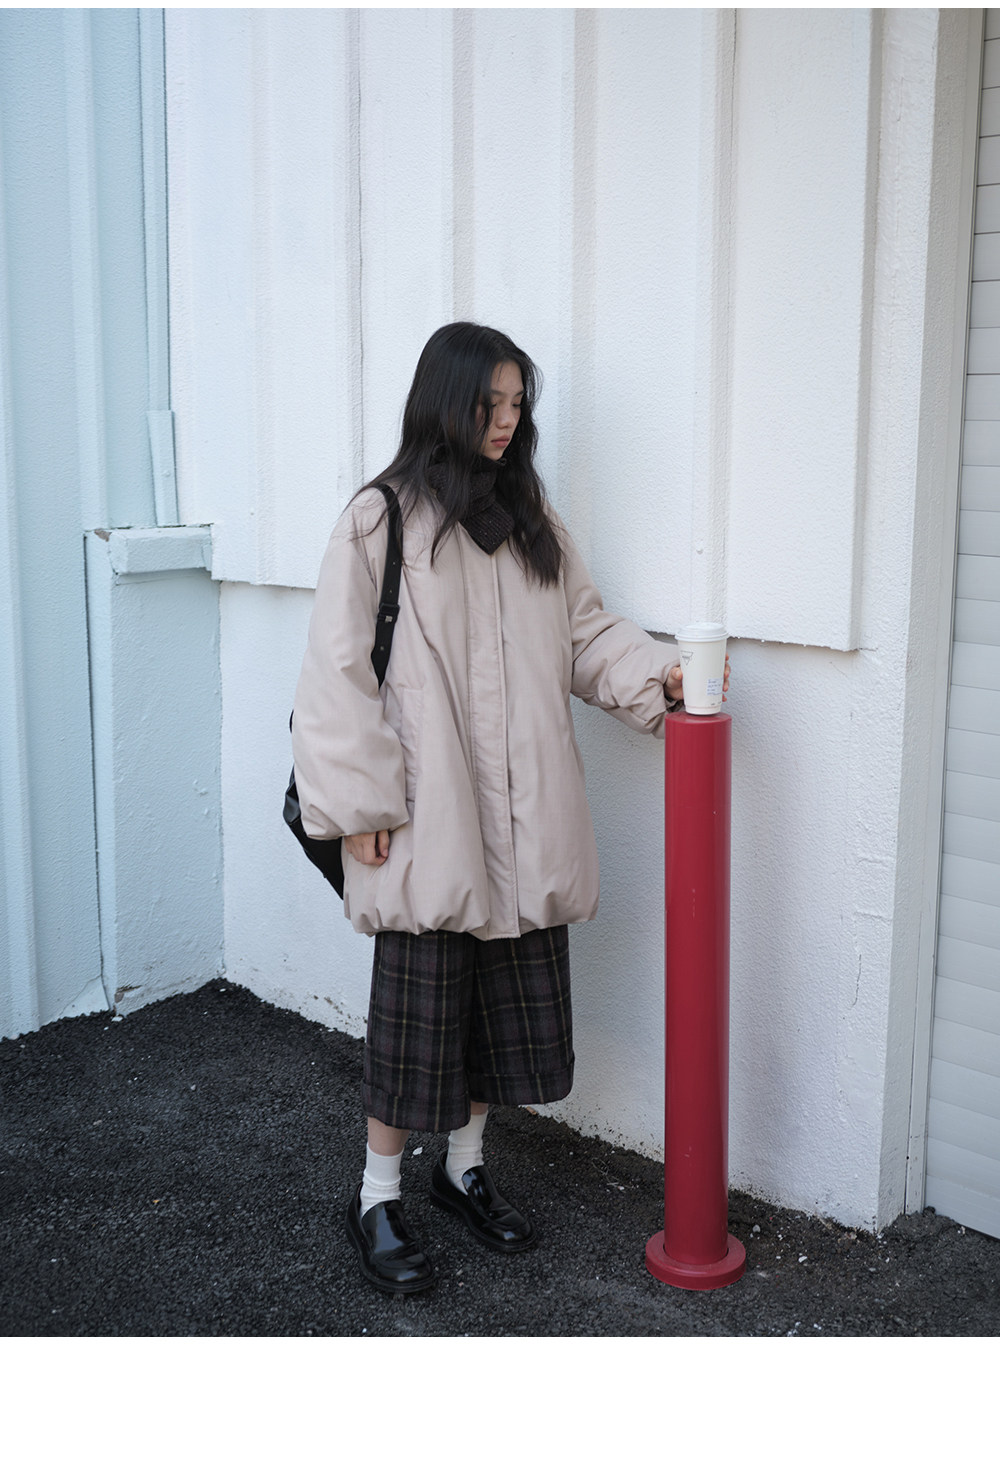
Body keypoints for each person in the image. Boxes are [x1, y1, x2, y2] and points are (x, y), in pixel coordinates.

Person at [291, 321, 729, 1294]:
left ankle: (463, 1171)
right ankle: (374, 1197)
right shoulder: (380, 520)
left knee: (495, 1019)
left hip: (524, 822)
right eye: (489, 402)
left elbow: (583, 633)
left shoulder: (531, 518)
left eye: (517, 403)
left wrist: (655, 672)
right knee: (413, 1025)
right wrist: (359, 802)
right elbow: (334, 673)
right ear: (444, 402)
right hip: (428, 820)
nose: (505, 420)